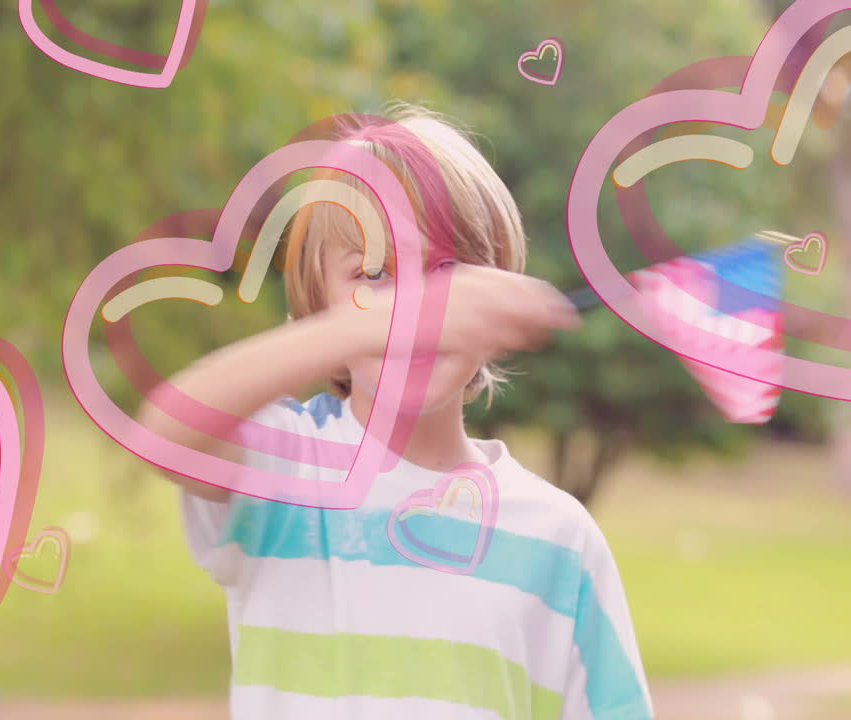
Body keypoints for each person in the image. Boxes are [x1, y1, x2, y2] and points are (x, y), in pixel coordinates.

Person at [136, 103, 654, 719]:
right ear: (320, 300)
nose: (414, 307)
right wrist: (365, 327)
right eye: (372, 273)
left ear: (495, 297)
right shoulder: (289, 469)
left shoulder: (560, 539)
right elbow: (167, 432)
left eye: (446, 272)